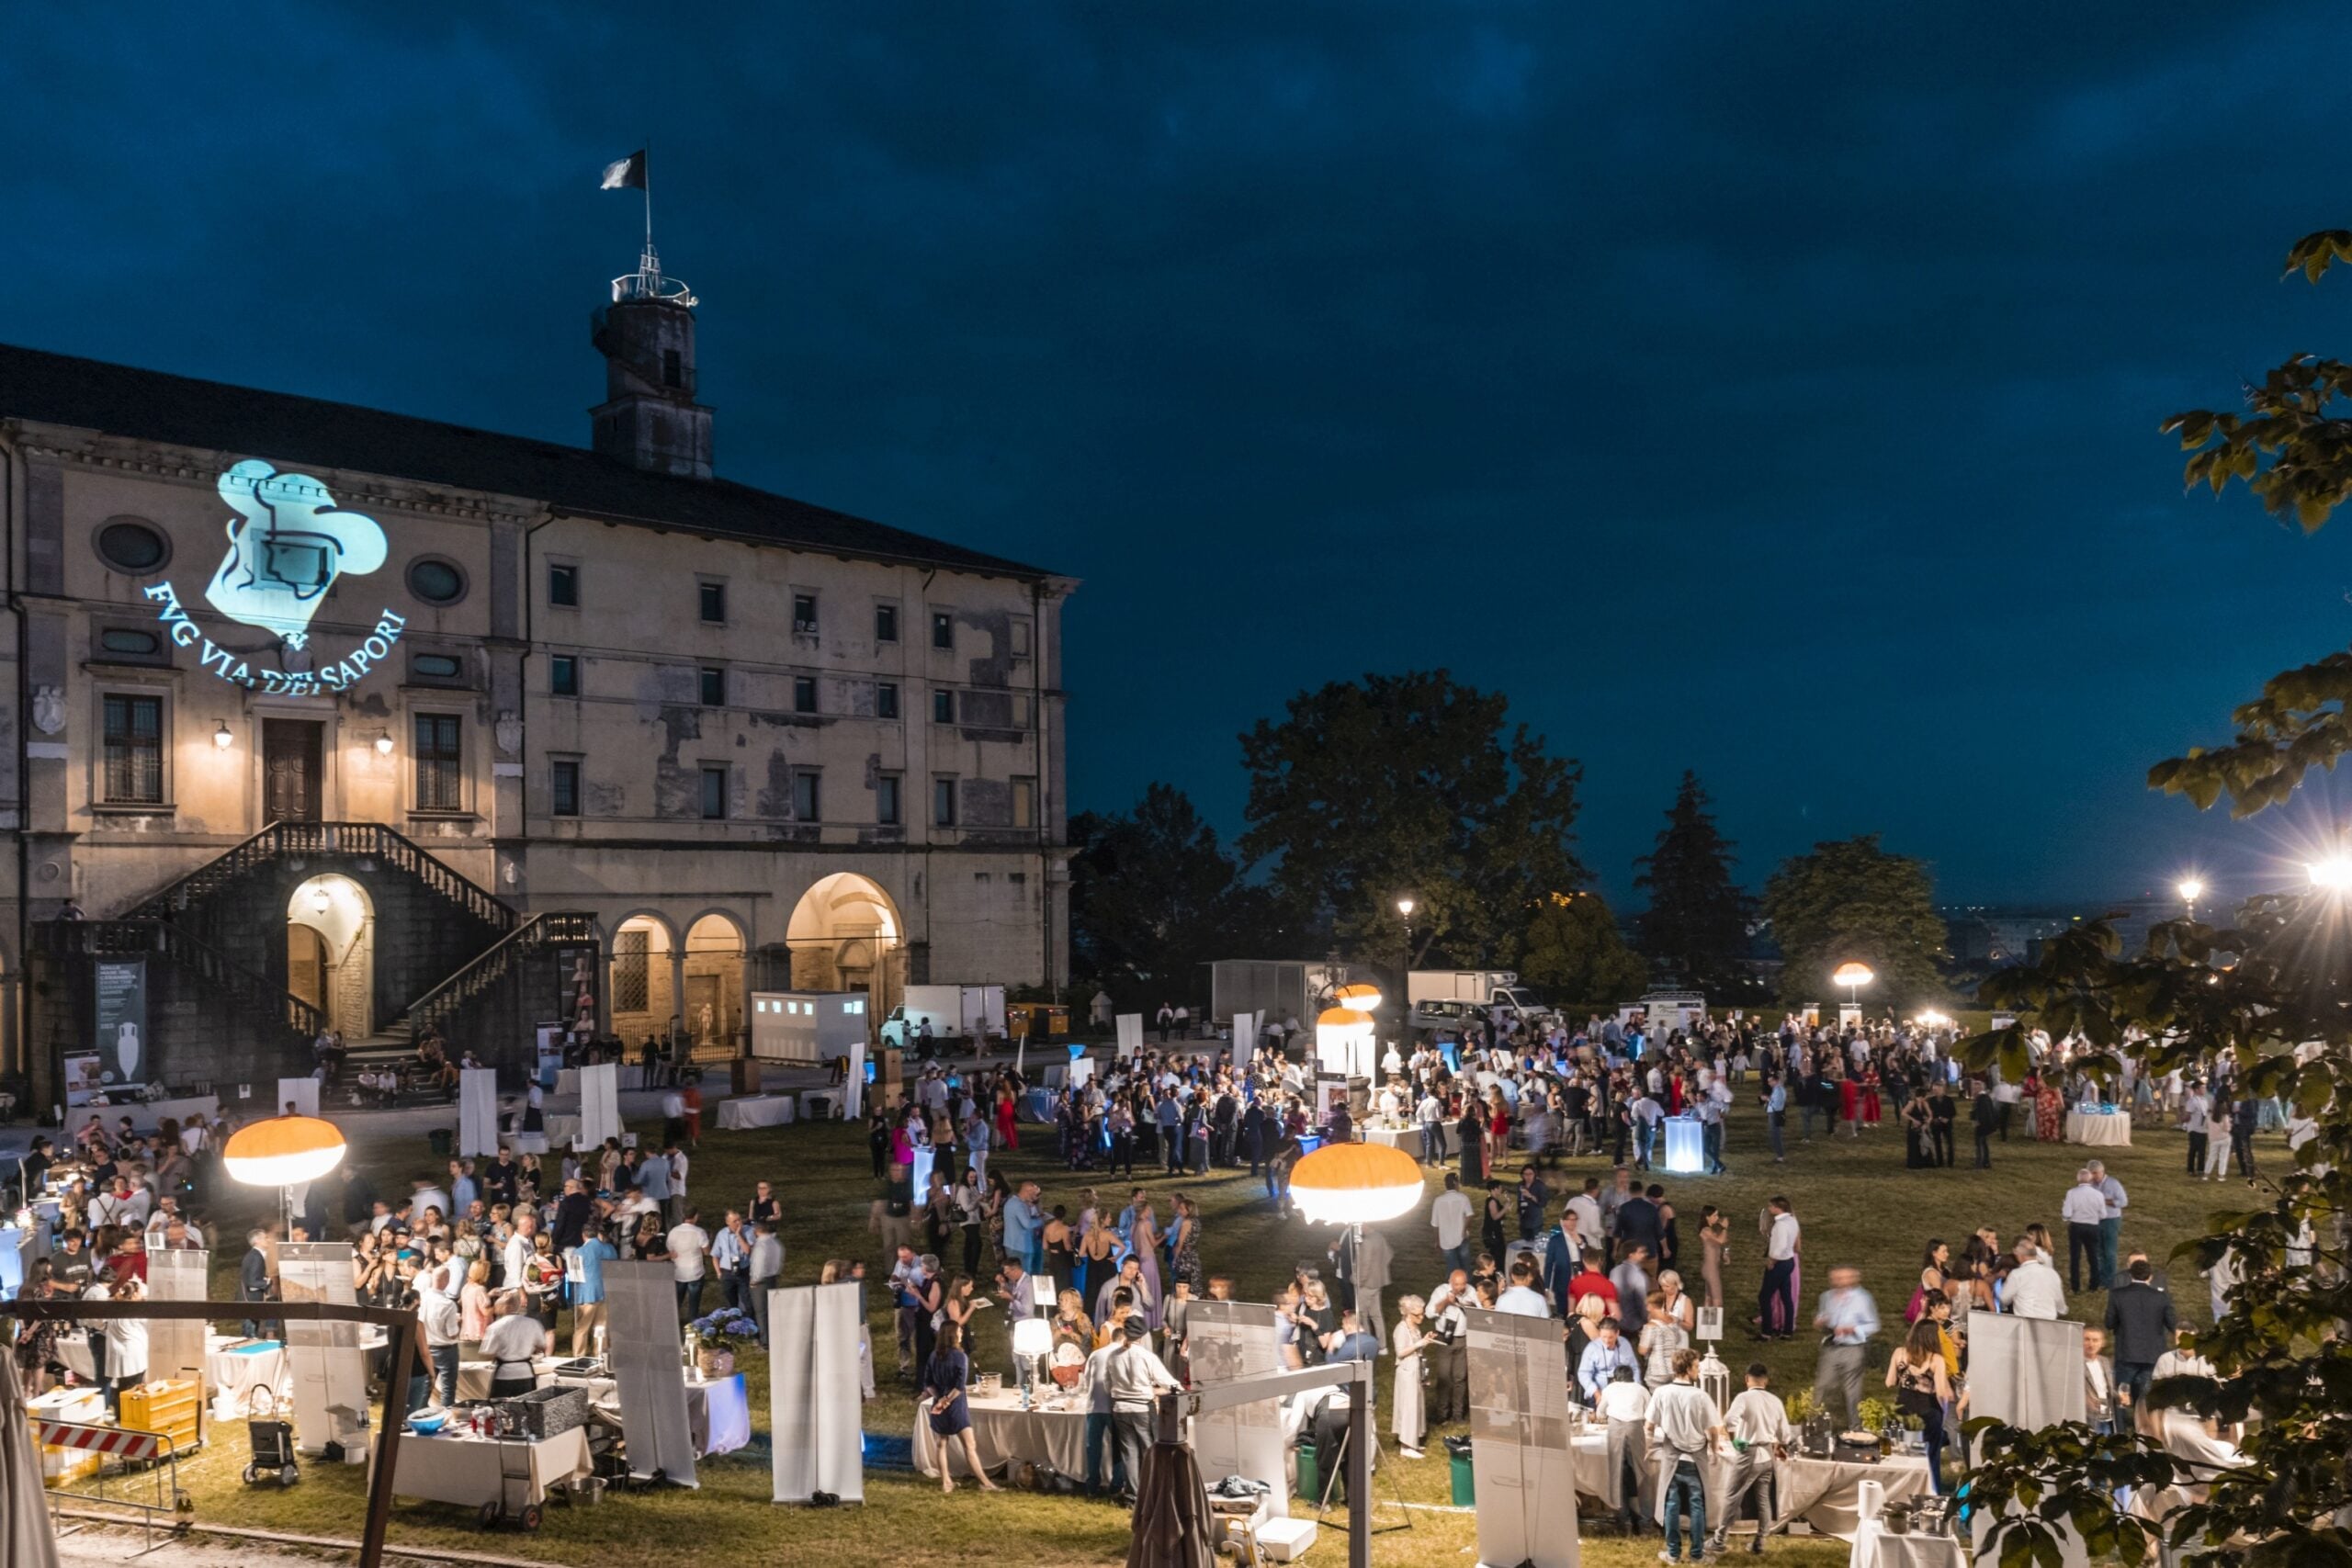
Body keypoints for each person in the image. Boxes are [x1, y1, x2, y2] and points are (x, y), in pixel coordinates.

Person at [1649, 1348, 1722, 1563]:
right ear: (1688, 1369)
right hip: (1694, 1458)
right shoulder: (1700, 1396)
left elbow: (1649, 1425)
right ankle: (1697, 1554)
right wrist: (1715, 1448)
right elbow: (1713, 1429)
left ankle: (1673, 1553)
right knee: (1697, 1504)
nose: (1699, 1370)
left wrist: (1647, 1449)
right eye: (1697, 1367)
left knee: (1671, 1504)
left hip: (1672, 1457)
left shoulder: (1661, 1393)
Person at [1715, 1363, 1793, 1555]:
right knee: (1763, 1498)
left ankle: (1719, 1539)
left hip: (1749, 1452)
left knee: (1732, 1496)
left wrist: (1735, 1441)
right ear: (1766, 1380)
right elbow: (1785, 1433)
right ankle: (1760, 1542)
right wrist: (1778, 1447)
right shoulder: (1775, 1401)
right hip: (1767, 1454)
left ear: (1746, 1379)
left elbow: (1728, 1420)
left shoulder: (1744, 1397)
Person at [1104, 1315, 1180, 1507]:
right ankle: (1151, 1493)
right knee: (1149, 1451)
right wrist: (1160, 1389)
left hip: (1120, 1407)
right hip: (1142, 1408)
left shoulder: (1113, 1356)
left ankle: (1133, 1496)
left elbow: (1107, 1385)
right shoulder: (1147, 1356)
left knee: (1128, 1453)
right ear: (1142, 1335)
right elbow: (1169, 1382)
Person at [922, 1322, 998, 1494]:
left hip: (938, 1406)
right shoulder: (960, 1356)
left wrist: (940, 1399)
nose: (961, 1332)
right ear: (953, 1335)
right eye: (959, 1330)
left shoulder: (934, 1355)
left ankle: (946, 1482)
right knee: (969, 1445)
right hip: (955, 1407)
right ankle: (984, 1482)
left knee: (941, 1443)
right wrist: (947, 1400)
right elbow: (959, 1385)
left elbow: (928, 1383)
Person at [2104, 1258, 2177, 1428]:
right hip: (2152, 1355)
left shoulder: (2117, 1295)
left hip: (2126, 1354)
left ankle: (2119, 1433)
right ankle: (2144, 1431)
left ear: (2130, 1275)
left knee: (2120, 1397)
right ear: (2150, 1276)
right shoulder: (2161, 1297)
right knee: (2145, 1399)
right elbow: (2172, 1323)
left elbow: (2109, 1323)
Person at [1885, 1317, 1955, 1491]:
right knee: (1931, 1456)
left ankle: (1900, 1487)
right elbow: (1940, 1393)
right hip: (1928, 1410)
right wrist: (1944, 1412)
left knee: (1900, 1451)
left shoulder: (1899, 1353)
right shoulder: (1936, 1359)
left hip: (1903, 1408)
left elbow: (1889, 1382)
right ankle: (1931, 1490)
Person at [1812, 1265, 1878, 1431]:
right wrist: (1820, 1321)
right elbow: (1822, 1316)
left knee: (1852, 1390)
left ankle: (1855, 1428)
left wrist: (1854, 1329)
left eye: (1842, 1278)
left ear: (1853, 1279)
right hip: (1831, 1347)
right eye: (1835, 1278)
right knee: (1822, 1386)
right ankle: (1814, 1424)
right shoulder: (1826, 1297)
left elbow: (1874, 1325)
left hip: (1853, 1348)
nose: (1838, 1281)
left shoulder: (1863, 1298)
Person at [480, 1291, 548, 1399]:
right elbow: (542, 1346)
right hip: (525, 1373)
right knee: (526, 1409)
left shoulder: (495, 1327)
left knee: (500, 1409)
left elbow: (487, 1352)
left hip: (504, 1374)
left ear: (505, 1307)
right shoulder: (533, 1323)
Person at [570, 1220, 617, 1355]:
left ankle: (579, 1356)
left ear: (583, 1234)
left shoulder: (578, 1251)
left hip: (586, 1294)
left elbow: (574, 1277)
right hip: (606, 1291)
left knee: (582, 1329)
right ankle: (601, 1357)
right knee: (601, 1328)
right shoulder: (609, 1248)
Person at [1391, 1294, 1429, 1458]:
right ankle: (1406, 1446)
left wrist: (1424, 1341)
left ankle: (1413, 1441)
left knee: (1416, 1404)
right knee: (1408, 1406)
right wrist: (1419, 1344)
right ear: (1407, 1313)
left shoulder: (1414, 1327)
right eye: (1417, 1315)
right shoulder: (1401, 1329)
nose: (1421, 1317)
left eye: (1422, 1314)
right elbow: (1400, 1352)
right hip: (1407, 1370)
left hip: (1415, 1367)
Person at [1757, 1196, 1798, 1339]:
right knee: (1786, 1297)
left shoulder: (1780, 1225)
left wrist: (1771, 1261)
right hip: (1789, 1261)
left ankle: (1766, 1332)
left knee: (1764, 1297)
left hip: (1780, 1263)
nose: (1769, 1209)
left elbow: (1780, 1246)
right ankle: (1787, 1331)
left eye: (1771, 1206)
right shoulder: (1792, 1220)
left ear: (1777, 1208)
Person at [2062, 1168, 2107, 1292]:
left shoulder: (2071, 1193)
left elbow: (2067, 1213)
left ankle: (2075, 1287)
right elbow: (2103, 1215)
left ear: (2078, 1179)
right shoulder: (2098, 1195)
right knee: (2093, 1257)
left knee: (2075, 1257)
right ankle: (2094, 1285)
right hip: (2092, 1227)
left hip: (2076, 1226)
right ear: (2090, 1179)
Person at [1577, 1316, 1639, 1402]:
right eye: (1603, 1337)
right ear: (1600, 1333)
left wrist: (1636, 1389)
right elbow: (1583, 1374)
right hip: (1600, 1391)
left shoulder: (1625, 1343)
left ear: (1617, 1333)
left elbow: (1634, 1368)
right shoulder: (1592, 1347)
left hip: (1623, 1391)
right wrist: (1596, 1392)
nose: (1606, 1341)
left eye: (1610, 1337)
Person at [2004, 1236, 2066, 1320]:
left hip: (2026, 1324)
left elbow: (2003, 1299)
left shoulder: (2017, 1275)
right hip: (2049, 1322)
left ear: (2018, 1254)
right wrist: (2062, 1310)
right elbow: (2060, 1304)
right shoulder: (2052, 1274)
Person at [1430, 1174, 1474, 1275]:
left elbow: (1435, 1224)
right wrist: (1464, 1229)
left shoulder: (1438, 1201)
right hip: (1462, 1237)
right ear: (1455, 1183)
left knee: (1452, 1268)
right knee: (1466, 1266)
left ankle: (1454, 1287)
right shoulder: (1463, 1198)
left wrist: (1437, 1241)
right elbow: (1470, 1215)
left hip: (1446, 1239)